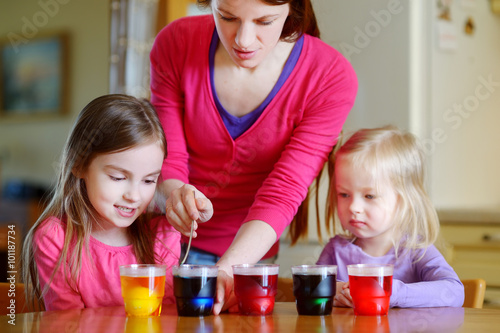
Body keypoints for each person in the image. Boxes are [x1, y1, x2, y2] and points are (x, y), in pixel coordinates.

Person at [150, 0, 357, 314]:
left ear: (293, 10)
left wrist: (228, 269)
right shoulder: (175, 43)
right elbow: (168, 158)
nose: (243, 40)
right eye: (227, 17)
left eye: (264, 21)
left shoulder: (329, 76)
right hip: (162, 244)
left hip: (248, 254)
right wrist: (174, 195)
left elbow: (284, 190)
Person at [21, 94, 181, 311]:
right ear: (79, 165)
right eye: (117, 177)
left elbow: (166, 319)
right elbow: (69, 324)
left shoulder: (162, 236)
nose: (134, 196)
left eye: (149, 180)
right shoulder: (54, 239)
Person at [316, 126, 465, 308]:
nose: (354, 207)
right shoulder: (335, 250)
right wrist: (333, 290)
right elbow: (309, 288)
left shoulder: (416, 251)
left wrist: (393, 293)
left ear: (404, 201)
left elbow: (454, 292)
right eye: (344, 194)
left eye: (369, 196)